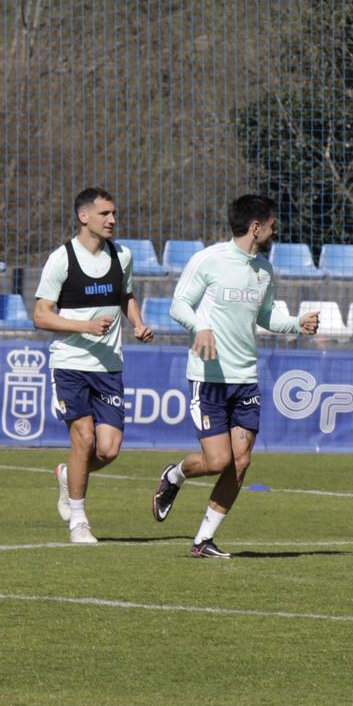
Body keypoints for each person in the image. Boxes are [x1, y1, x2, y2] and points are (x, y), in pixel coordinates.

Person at [150, 195, 319, 557]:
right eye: (272, 225)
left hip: (245, 379)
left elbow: (267, 315)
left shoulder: (264, 270)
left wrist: (295, 323)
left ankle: (203, 541)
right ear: (255, 227)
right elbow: (179, 305)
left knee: (241, 462)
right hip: (208, 377)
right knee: (217, 462)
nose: (276, 231)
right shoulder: (209, 260)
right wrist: (201, 327)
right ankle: (175, 475)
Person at [32, 187, 156, 543]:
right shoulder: (63, 259)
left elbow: (125, 296)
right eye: (105, 214)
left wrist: (137, 322)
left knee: (109, 449)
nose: (113, 220)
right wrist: (84, 326)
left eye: (114, 213)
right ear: (83, 217)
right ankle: (79, 521)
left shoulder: (123, 256)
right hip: (70, 362)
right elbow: (41, 316)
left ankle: (66, 475)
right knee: (83, 439)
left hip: (109, 366)